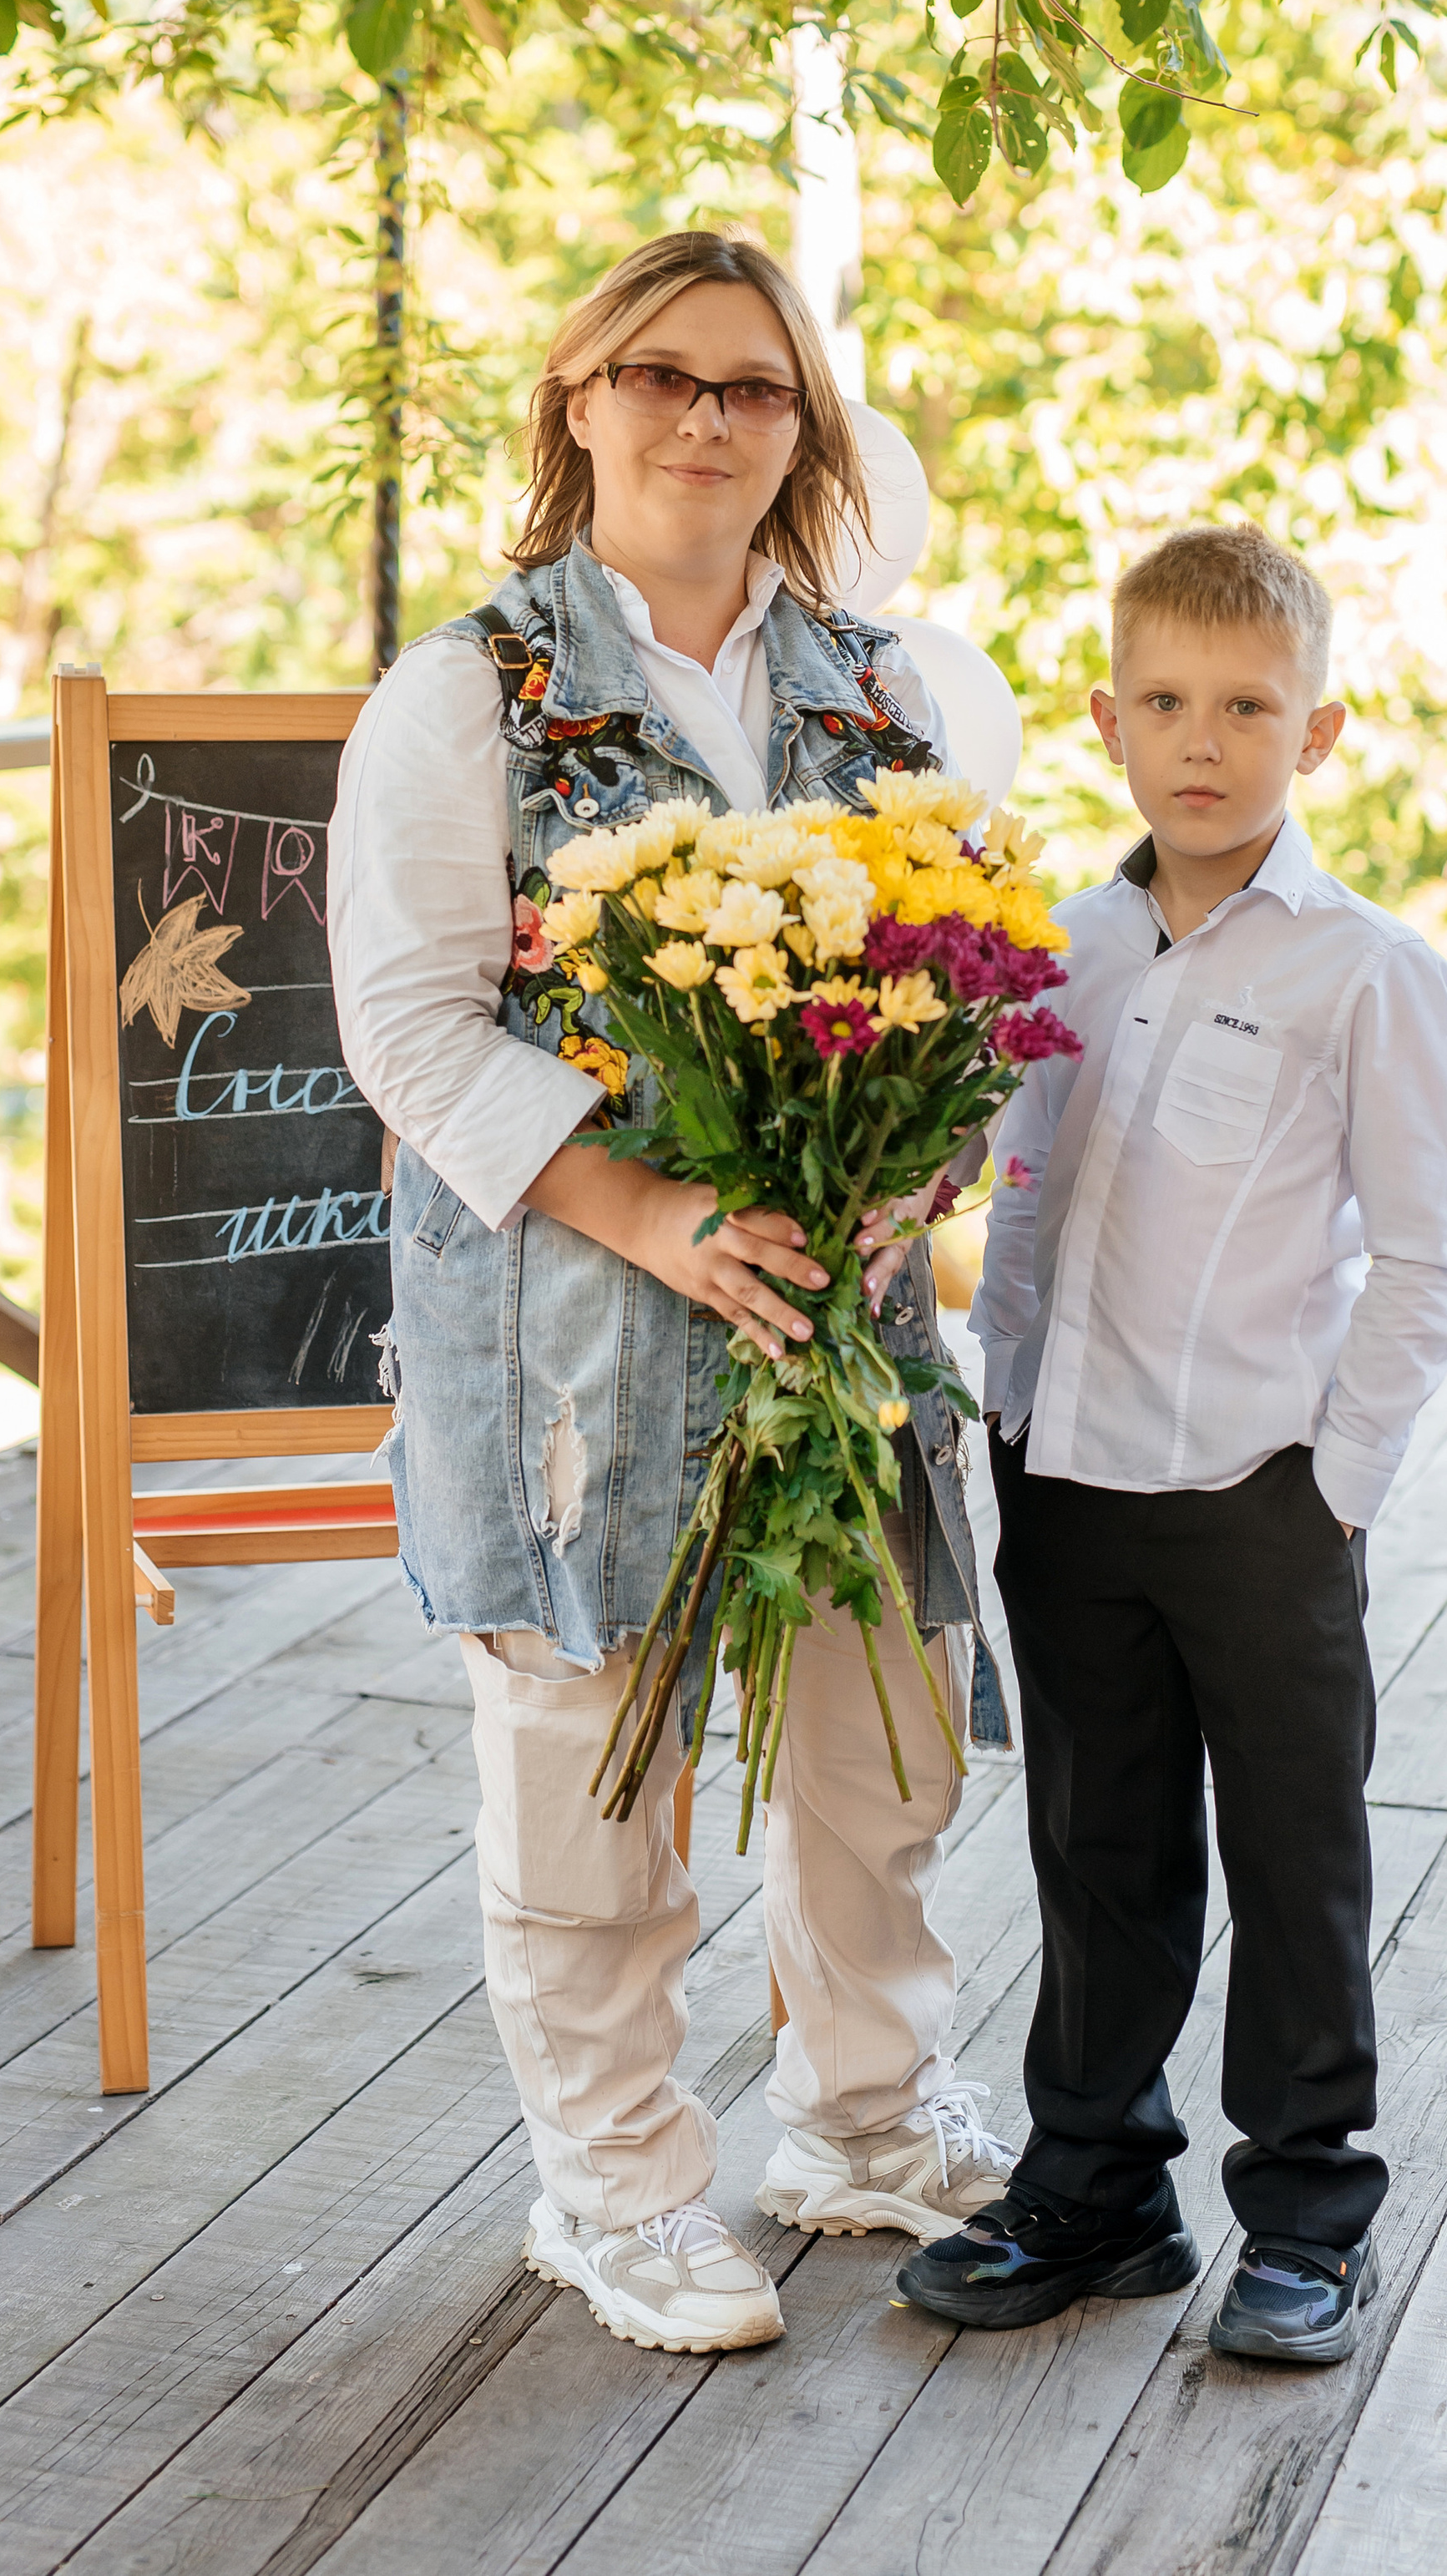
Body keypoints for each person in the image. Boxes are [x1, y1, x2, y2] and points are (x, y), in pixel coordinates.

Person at [328, 229, 1014, 2359]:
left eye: (750, 387)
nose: (704, 419)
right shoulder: (470, 691)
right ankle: (616, 2188)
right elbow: (406, 1027)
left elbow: (968, 992)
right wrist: (647, 1218)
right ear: (577, 399)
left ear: (802, 426)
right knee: (586, 1764)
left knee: (873, 1749)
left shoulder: (895, 691)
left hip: (840, 1309)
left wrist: (911, 1174)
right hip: (574, 1321)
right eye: (659, 377)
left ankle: (864, 2120)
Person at [897, 523, 1447, 2362]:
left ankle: (1305, 2216)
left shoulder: (1360, 971)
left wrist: (1336, 1486)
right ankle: (1094, 2190)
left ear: (1315, 737)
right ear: (1105, 721)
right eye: (1162, 702)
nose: (1199, 740)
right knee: (1093, 1844)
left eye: (1244, 707)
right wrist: (1004, 1401)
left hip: (1256, 1497)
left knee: (1291, 1857)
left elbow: (1422, 1250)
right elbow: (1024, 1185)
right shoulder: (1054, 946)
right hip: (1064, 1482)